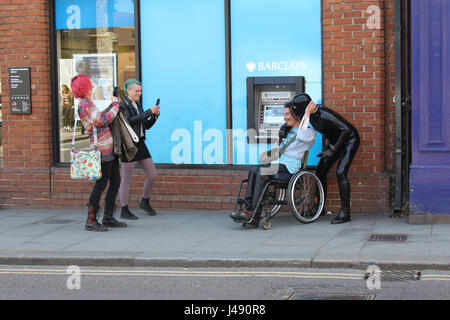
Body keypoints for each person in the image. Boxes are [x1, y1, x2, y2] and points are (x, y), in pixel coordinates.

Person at [230, 102, 316, 227]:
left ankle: (254, 213)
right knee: (254, 169)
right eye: (284, 114)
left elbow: (302, 134)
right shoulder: (286, 131)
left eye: (287, 114)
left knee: (262, 172)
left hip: (290, 169)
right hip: (277, 164)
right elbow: (277, 150)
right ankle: (248, 208)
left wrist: (307, 113)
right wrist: (268, 155)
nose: (285, 117)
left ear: (296, 115)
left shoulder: (309, 132)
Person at [289, 93, 360, 224]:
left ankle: (345, 212)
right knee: (320, 171)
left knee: (341, 172)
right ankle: (318, 207)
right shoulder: (309, 116)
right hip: (335, 142)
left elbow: (346, 131)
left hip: (350, 140)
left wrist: (332, 150)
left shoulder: (325, 115)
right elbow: (302, 132)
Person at [71, 74, 127, 231]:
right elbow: (101, 120)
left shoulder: (88, 103)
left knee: (115, 182)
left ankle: (108, 217)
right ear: (84, 87)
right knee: (101, 185)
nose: (92, 87)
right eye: (89, 84)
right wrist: (115, 106)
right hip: (102, 150)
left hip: (109, 148)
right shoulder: (83, 104)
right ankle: (91, 220)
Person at [118, 79, 160, 220]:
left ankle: (145, 201)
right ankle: (124, 209)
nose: (139, 93)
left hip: (140, 143)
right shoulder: (123, 104)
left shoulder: (138, 104)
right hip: (129, 145)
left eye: (140, 91)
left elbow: (144, 125)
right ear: (128, 91)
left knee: (152, 174)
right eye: (137, 91)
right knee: (127, 178)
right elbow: (130, 120)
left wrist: (154, 117)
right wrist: (149, 111)